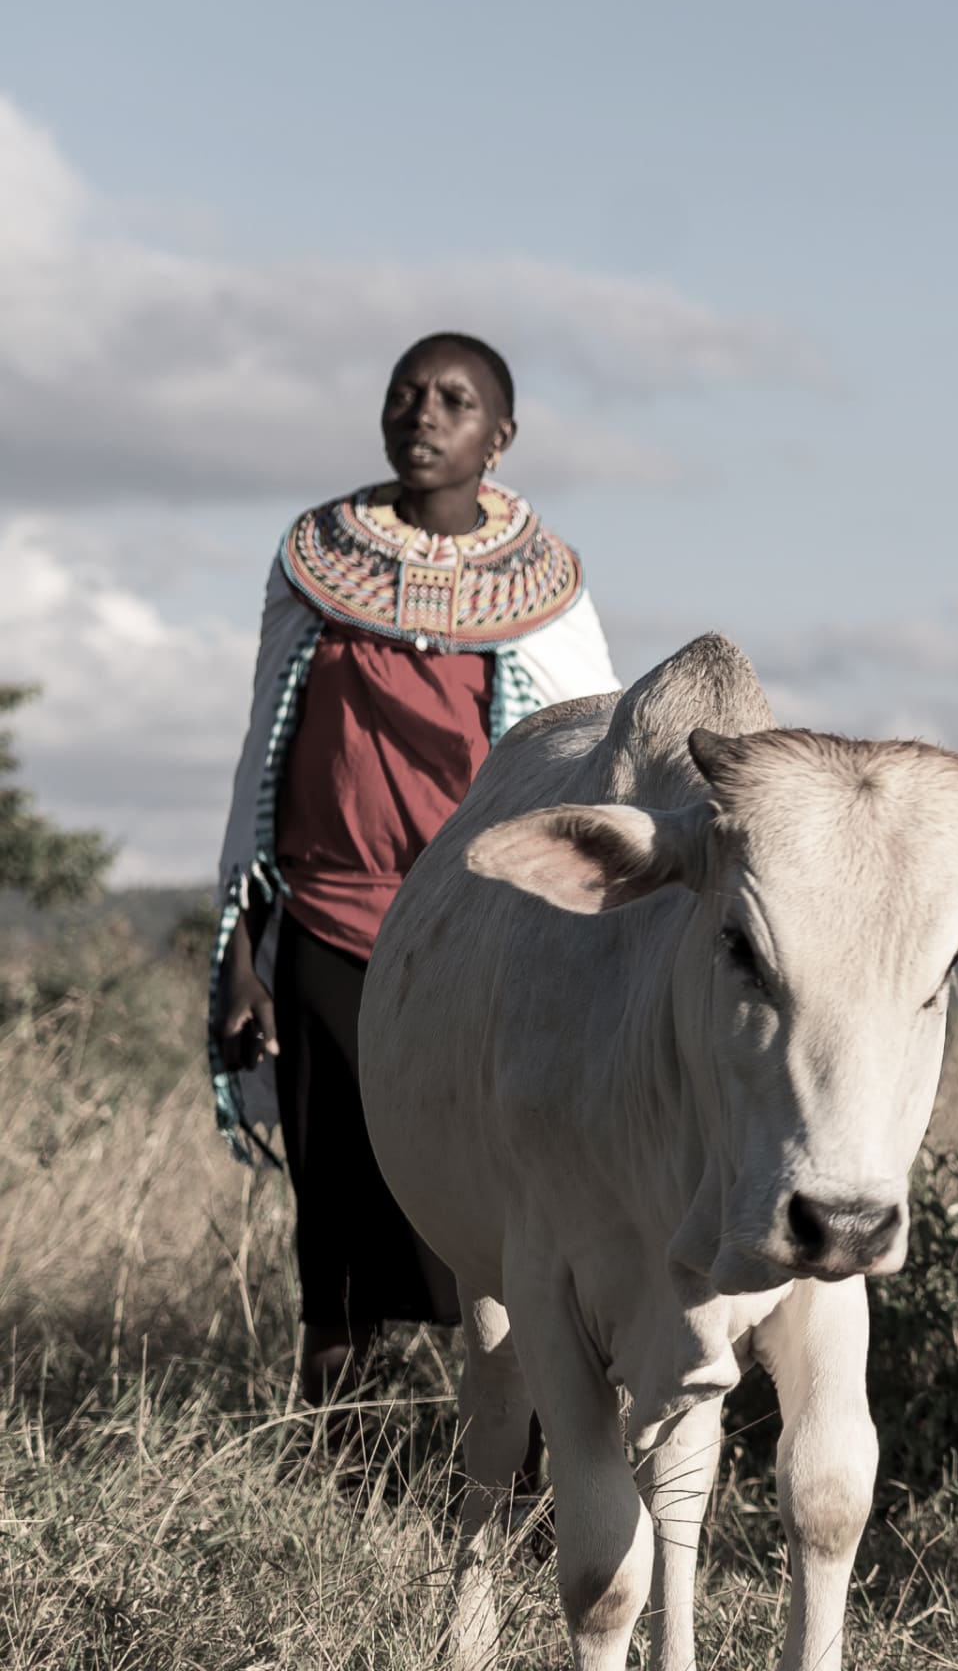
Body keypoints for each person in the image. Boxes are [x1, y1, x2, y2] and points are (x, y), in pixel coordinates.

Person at [205, 332, 620, 1409]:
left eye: (455, 400)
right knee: (334, 1208)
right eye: (406, 394)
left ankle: (522, 1456)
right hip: (325, 927)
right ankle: (337, 1454)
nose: (424, 416)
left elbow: (586, 773)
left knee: (503, 1198)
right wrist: (245, 954)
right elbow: (267, 756)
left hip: (480, 941)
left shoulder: (549, 594)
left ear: (502, 435)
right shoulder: (313, 564)